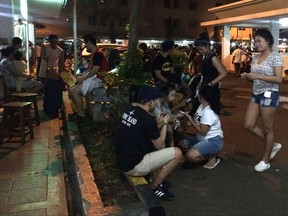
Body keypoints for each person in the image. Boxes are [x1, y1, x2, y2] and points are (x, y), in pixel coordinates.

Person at [115, 86, 183, 201]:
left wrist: (161, 121)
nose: (157, 102)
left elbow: (146, 128)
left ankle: (154, 179)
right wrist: (166, 123)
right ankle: (155, 186)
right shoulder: (147, 119)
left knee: (152, 147)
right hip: (134, 166)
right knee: (177, 153)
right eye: (155, 100)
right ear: (150, 102)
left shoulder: (129, 110)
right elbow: (160, 145)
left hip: (123, 160)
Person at [241, 28, 283, 172]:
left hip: (269, 94)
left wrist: (256, 76)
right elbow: (254, 77)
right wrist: (248, 77)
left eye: (259, 41)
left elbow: (278, 79)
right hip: (256, 92)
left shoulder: (275, 56)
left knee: (267, 128)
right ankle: (273, 145)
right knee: (248, 124)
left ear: (268, 41)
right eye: (255, 41)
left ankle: (266, 160)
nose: (256, 44)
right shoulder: (255, 57)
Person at [179, 85, 224, 169]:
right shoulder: (201, 106)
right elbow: (197, 122)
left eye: (198, 93)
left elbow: (203, 131)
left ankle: (211, 157)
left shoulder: (208, 112)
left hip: (213, 141)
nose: (197, 94)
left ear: (202, 96)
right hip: (200, 138)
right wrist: (182, 122)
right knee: (182, 143)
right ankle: (203, 152)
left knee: (190, 156)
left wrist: (190, 119)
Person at [68, 34, 109, 122]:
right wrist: (82, 77)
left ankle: (81, 114)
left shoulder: (98, 54)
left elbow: (95, 70)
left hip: (98, 80)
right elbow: (91, 70)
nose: (84, 46)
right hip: (95, 78)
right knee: (71, 90)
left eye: (85, 43)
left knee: (74, 91)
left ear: (89, 43)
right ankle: (80, 112)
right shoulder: (96, 53)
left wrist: (82, 79)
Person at [193, 34, 227, 115]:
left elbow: (223, 73)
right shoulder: (206, 56)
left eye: (201, 49)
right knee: (203, 113)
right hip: (205, 87)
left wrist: (211, 83)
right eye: (198, 50)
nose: (200, 52)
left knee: (210, 114)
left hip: (211, 90)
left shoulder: (213, 58)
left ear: (207, 45)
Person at [41, 34, 65, 117]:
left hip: (54, 72)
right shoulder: (44, 46)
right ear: (49, 41)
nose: (53, 44)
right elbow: (42, 58)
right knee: (48, 89)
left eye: (55, 42)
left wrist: (60, 73)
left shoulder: (60, 51)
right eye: (52, 42)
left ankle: (54, 107)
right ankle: (49, 108)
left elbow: (61, 63)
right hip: (45, 71)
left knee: (54, 89)